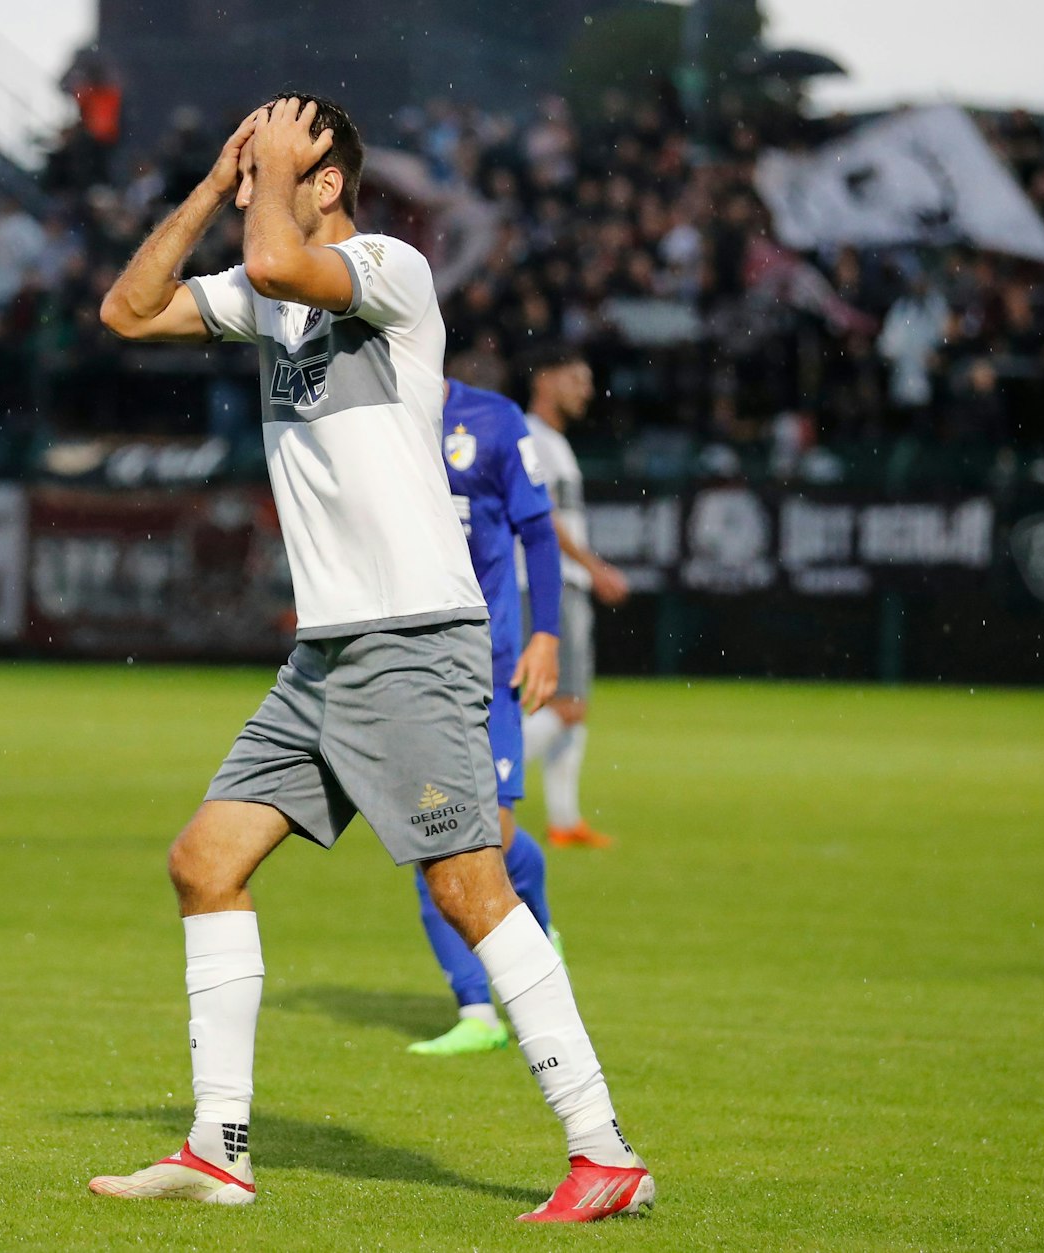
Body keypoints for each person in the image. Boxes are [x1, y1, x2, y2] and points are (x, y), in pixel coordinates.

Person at [87, 94, 652, 1223]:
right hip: (328, 652)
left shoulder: (390, 270)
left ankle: (602, 1149)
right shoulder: (261, 282)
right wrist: (214, 181)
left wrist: (275, 192)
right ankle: (218, 1145)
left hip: (413, 635)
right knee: (205, 860)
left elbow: (287, 265)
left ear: (330, 181)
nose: (255, 188)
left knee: (467, 885)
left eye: (277, 167)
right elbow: (125, 309)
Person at [407, 375, 565, 1056]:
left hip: (489, 661)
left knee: (490, 838)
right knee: (435, 838)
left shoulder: (492, 420)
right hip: (409, 664)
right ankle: (476, 1007)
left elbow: (539, 531)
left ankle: (535, 911)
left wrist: (546, 633)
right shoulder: (377, 416)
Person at [518, 345, 630, 849]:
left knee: (573, 706)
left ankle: (564, 821)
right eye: (576, 379)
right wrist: (594, 566)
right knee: (566, 705)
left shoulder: (554, 442)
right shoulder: (532, 438)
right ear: (545, 379)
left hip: (563, 583)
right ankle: (481, 788)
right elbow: (542, 517)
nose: (585, 390)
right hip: (550, 582)